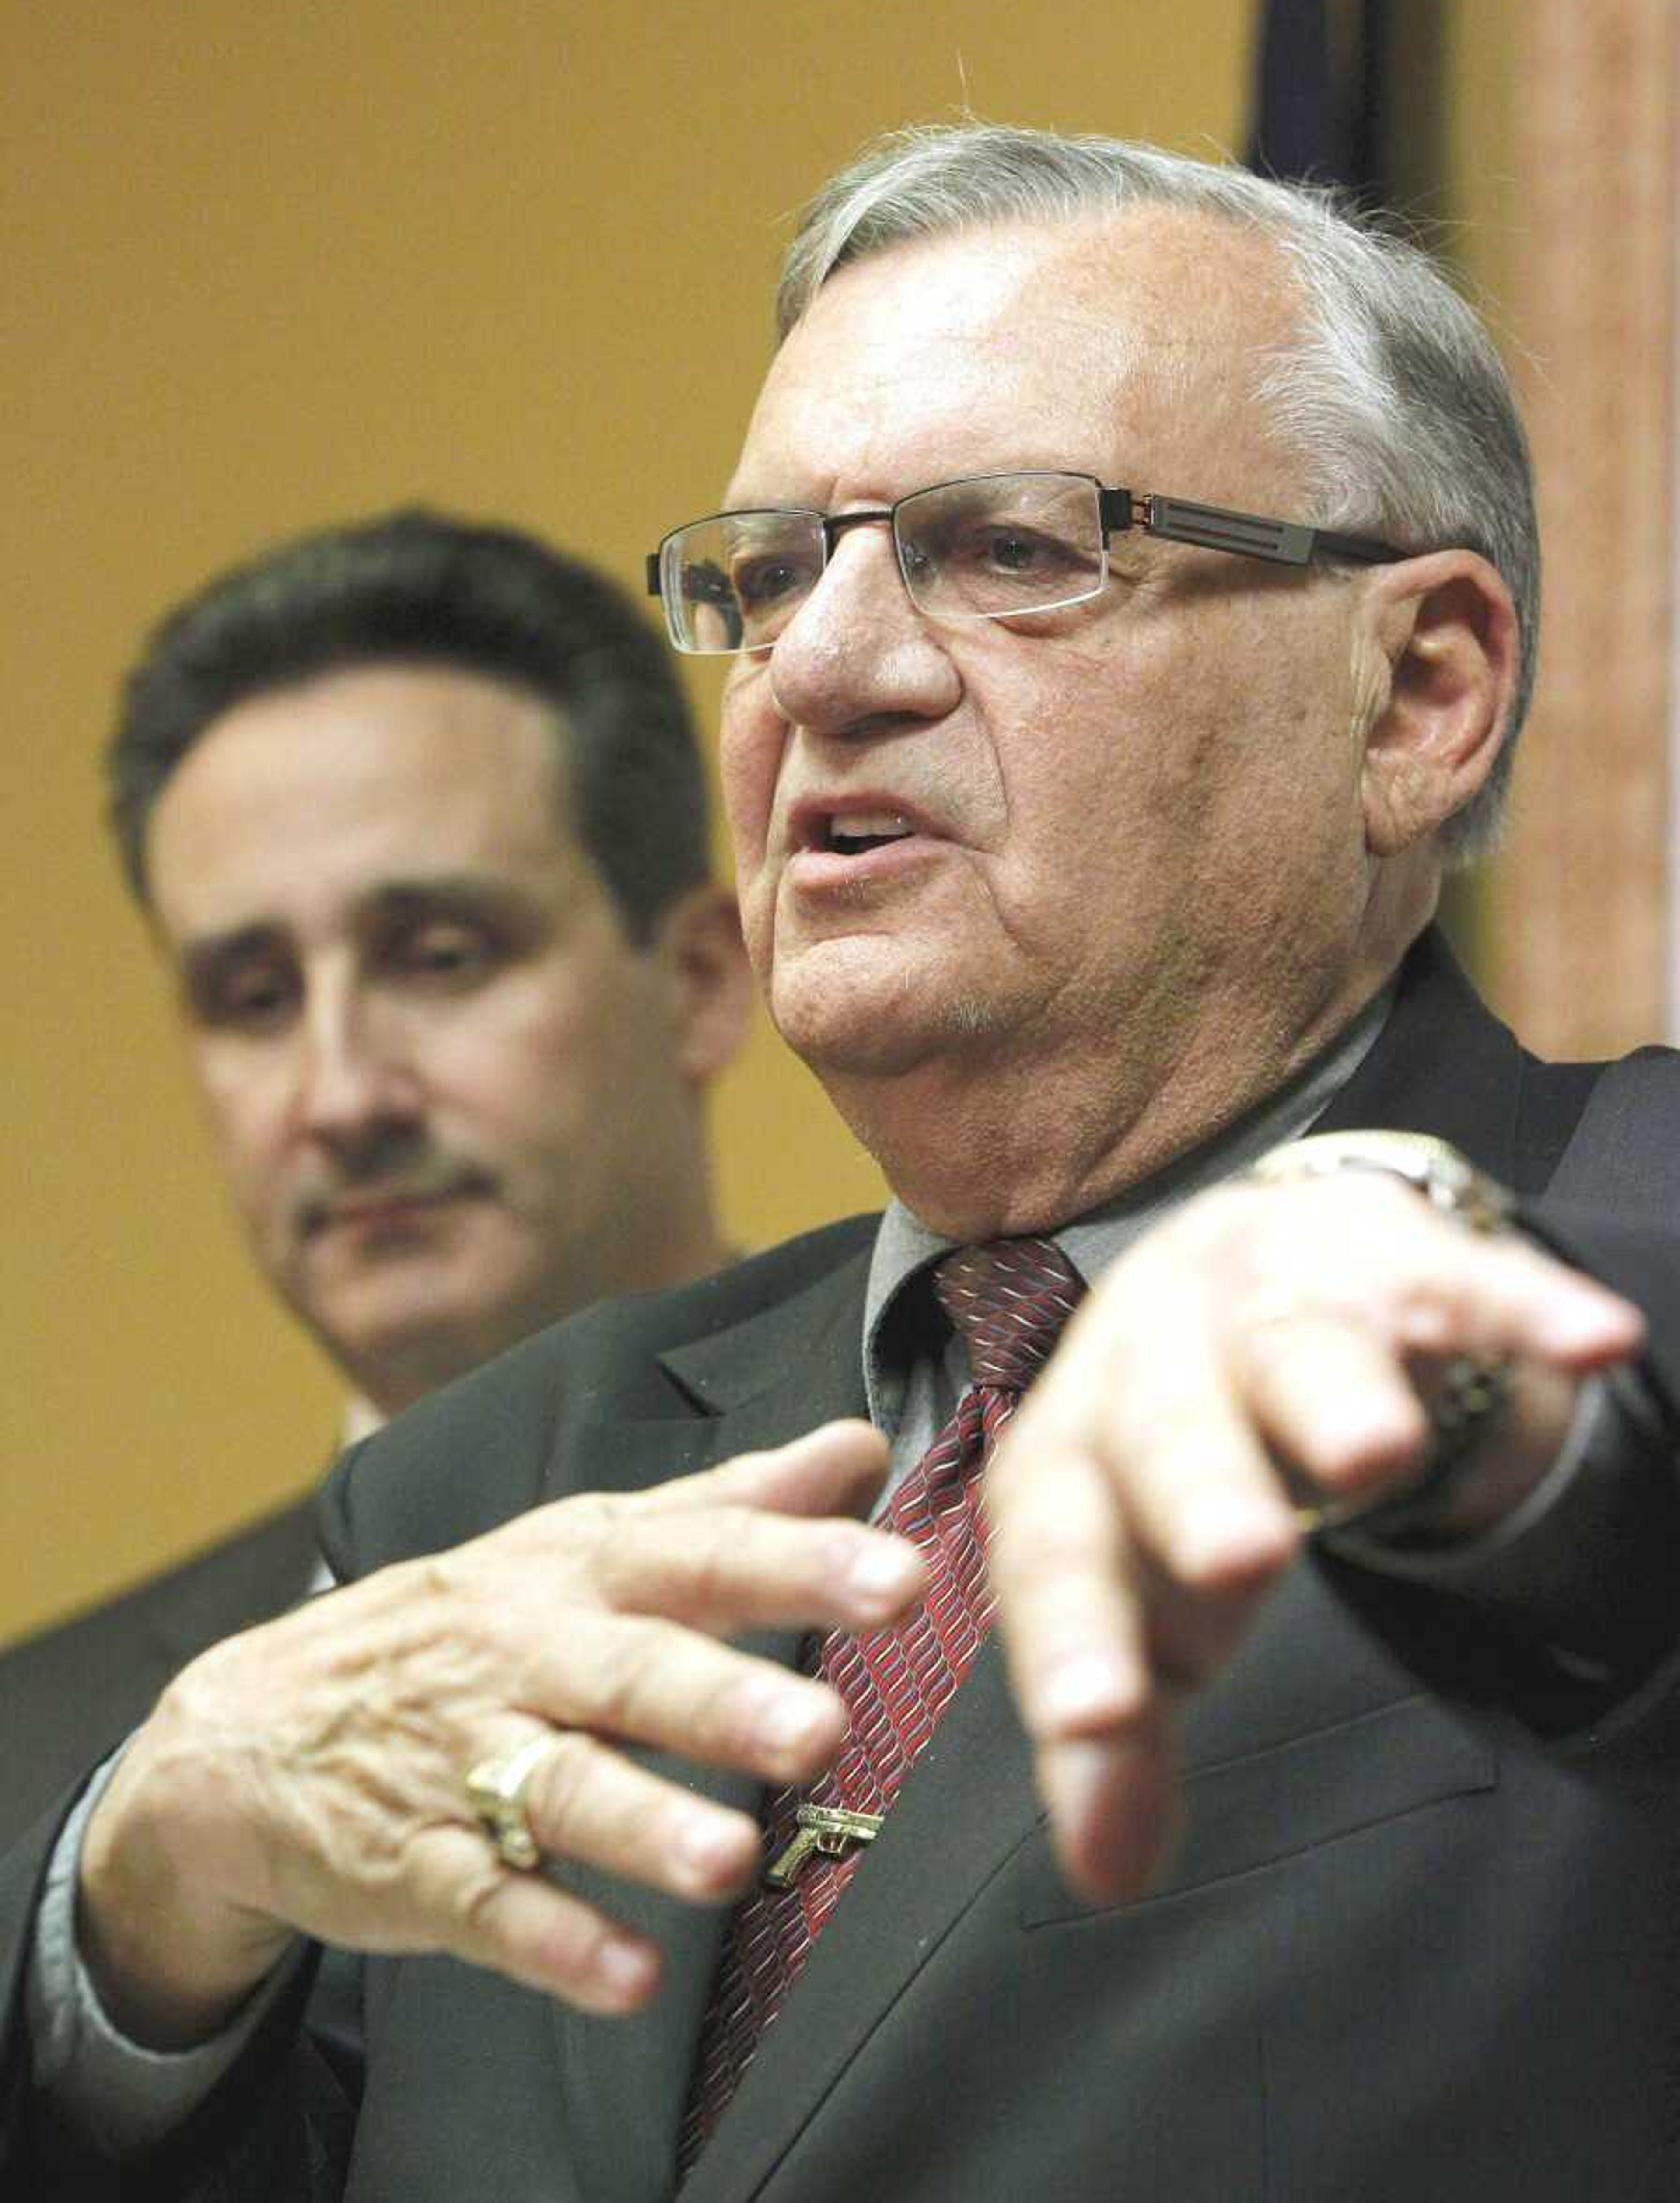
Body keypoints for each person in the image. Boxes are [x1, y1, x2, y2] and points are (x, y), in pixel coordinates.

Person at [5, 125, 1680, 2202]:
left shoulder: (1629, 1253)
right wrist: (145, 1888)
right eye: (775, 571)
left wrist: (1427, 1321)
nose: (817, 667)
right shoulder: (502, 1475)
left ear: (1419, 691)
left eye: (1013, 549)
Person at [0, 509, 752, 1850]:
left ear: (697, 981)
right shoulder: (39, 1771)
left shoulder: (977, 1583)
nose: (341, 1096)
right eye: (252, 997)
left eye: (441, 955)